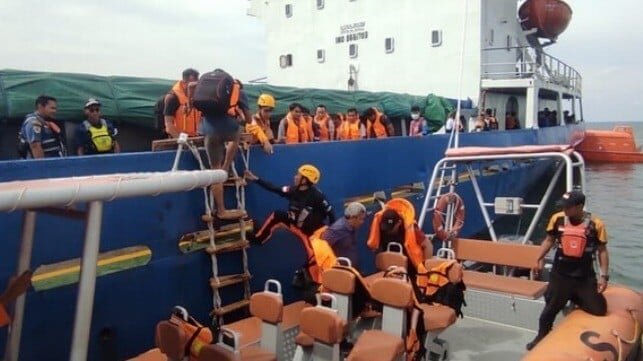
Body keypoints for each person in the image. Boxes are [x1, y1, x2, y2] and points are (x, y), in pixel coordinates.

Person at [527, 190, 609, 350]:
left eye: (568, 207)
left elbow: (602, 250)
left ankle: (575, 297)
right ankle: (541, 336)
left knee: (599, 310)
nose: (564, 209)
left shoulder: (596, 224)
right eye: (563, 206)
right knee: (549, 311)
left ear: (579, 207)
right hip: (560, 275)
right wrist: (538, 258)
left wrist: (604, 276)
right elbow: (549, 240)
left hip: (584, 276)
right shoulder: (557, 219)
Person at [196, 70, 251, 221]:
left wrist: (189, 103)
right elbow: (249, 119)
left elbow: (191, 87)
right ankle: (226, 166)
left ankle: (220, 210)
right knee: (238, 130)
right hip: (228, 131)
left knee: (214, 170)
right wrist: (240, 120)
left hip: (208, 132)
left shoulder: (202, 90)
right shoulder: (238, 91)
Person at [245, 164, 335, 245]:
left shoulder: (317, 196)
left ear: (304, 180)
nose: (295, 177)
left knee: (314, 258)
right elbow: (274, 188)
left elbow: (331, 214)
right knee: (277, 215)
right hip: (295, 224)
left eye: (298, 175)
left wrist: (330, 234)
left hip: (311, 233)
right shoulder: (293, 190)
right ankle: (259, 238)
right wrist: (255, 179)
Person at [321, 202, 367, 270]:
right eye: (361, 219)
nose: (362, 222)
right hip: (343, 271)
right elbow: (322, 247)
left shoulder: (352, 227)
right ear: (353, 218)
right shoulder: (337, 229)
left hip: (352, 269)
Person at [163, 68, 201, 138]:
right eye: (192, 85)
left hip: (197, 137)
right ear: (184, 82)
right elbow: (168, 124)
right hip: (179, 138)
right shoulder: (172, 98)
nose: (194, 88)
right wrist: (180, 140)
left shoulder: (199, 96)